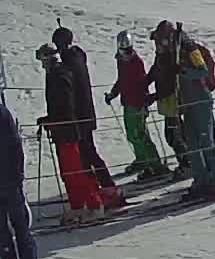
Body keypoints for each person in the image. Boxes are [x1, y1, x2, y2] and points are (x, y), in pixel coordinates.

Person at [38, 43, 109, 225]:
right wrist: (50, 119)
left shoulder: (61, 75)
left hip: (68, 131)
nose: (42, 64)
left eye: (43, 59)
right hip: (61, 131)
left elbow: (65, 106)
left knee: (77, 171)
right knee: (67, 172)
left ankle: (95, 205)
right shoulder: (55, 74)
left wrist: (54, 121)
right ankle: (77, 205)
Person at [49, 27, 116, 193]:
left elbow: (70, 92)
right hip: (83, 114)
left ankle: (106, 188)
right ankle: (99, 189)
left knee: (88, 154)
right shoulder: (76, 57)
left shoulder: (69, 62)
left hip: (79, 115)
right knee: (87, 154)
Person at [171, 24, 215, 200]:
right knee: (192, 143)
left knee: (206, 141)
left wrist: (183, 71)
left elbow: (202, 71)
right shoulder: (173, 53)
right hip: (188, 103)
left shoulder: (192, 50)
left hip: (201, 101)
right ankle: (201, 179)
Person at [104, 31, 169, 180]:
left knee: (140, 135)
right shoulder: (121, 60)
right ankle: (142, 160)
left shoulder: (135, 62)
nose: (126, 53)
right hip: (128, 103)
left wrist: (143, 101)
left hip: (137, 104)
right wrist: (113, 94)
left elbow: (141, 84)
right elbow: (121, 80)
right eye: (123, 50)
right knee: (132, 135)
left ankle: (155, 165)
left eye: (127, 50)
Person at [0, 102, 50, 259]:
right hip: (9, 180)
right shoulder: (3, 113)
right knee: (21, 227)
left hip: (6, 178)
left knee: (2, 232)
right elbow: (15, 145)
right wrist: (19, 174)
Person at [144, 22, 189, 179]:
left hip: (172, 100)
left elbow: (170, 85)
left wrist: (153, 96)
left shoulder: (172, 57)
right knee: (175, 133)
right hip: (166, 102)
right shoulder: (162, 55)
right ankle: (187, 161)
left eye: (159, 41)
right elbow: (155, 71)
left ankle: (187, 163)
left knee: (174, 135)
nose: (157, 44)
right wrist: (145, 82)